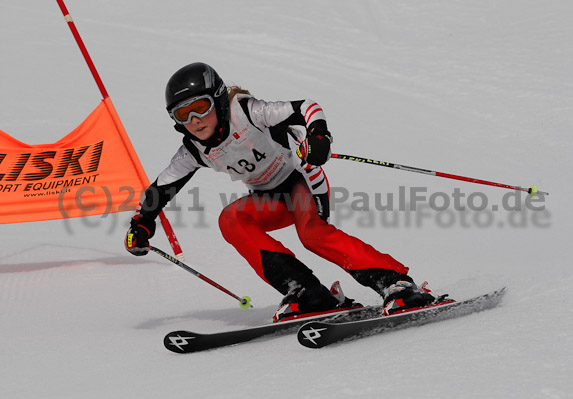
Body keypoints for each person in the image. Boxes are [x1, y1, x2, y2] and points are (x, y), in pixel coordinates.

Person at [125, 62, 435, 321]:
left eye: (200, 108)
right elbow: (161, 187)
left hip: (301, 181)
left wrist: (318, 136)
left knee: (311, 234)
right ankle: (307, 293)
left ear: (218, 99)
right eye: (183, 115)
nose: (195, 121)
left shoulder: (247, 112)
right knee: (230, 219)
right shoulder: (193, 150)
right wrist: (142, 223)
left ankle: (396, 283)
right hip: (270, 199)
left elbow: (308, 108)